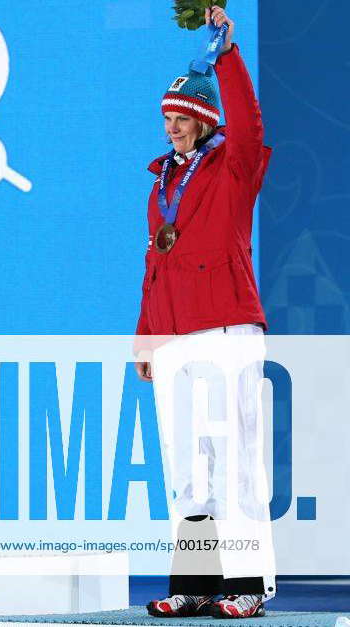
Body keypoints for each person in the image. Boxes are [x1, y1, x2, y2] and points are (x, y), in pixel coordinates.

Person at [134, 6, 275, 619]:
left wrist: (229, 56)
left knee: (236, 458)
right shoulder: (159, 184)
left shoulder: (233, 169)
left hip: (227, 328)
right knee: (186, 464)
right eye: (167, 117)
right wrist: (146, 340)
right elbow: (154, 267)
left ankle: (248, 583)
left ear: (203, 120)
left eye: (183, 118)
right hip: (176, 338)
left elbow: (249, 124)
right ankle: (195, 581)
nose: (173, 128)